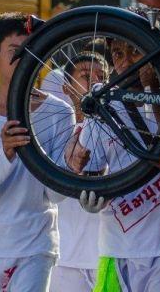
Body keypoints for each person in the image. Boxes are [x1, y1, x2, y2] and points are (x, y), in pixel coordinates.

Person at [67, 37, 160, 292]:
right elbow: (92, 172)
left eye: (135, 50)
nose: (127, 61)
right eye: (118, 54)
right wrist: (91, 196)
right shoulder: (103, 103)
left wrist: (152, 89)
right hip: (117, 247)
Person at [0, 12, 73, 291]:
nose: (25, 59)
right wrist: (6, 154)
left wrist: (74, 164)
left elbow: (55, 194)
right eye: (15, 51)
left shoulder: (60, 111)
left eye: (32, 50)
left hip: (37, 245)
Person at [49, 53, 109, 292]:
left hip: (107, 253)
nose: (95, 83)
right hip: (65, 259)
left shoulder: (122, 134)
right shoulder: (56, 129)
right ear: (66, 88)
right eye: (85, 76)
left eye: (102, 77)